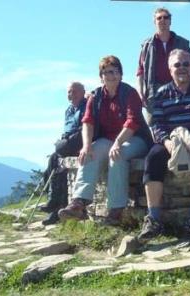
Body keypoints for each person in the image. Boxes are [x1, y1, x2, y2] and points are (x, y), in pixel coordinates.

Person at [58, 56, 152, 225]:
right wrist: (86, 146)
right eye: (107, 72)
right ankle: (79, 202)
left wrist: (117, 143)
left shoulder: (130, 94)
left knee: (118, 154)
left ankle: (116, 210)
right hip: (107, 139)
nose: (111, 75)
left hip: (135, 138)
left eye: (115, 71)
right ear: (101, 76)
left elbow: (132, 122)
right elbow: (88, 122)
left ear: (121, 75)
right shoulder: (95, 96)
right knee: (90, 152)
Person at [137, 49, 190, 242]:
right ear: (170, 69)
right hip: (170, 142)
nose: (182, 68)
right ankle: (154, 219)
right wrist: (166, 143)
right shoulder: (162, 93)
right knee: (153, 157)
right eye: (177, 65)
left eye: (186, 64)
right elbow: (156, 123)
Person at [39, 81, 87, 225]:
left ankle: (54, 203)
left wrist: (64, 143)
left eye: (74, 91)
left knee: (58, 153)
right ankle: (56, 205)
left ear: (83, 92)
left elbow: (84, 127)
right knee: (54, 160)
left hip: (82, 139)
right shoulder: (69, 110)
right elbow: (67, 130)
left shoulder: (86, 106)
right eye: (69, 92)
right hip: (69, 141)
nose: (71, 95)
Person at [137, 7, 190, 119]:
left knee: (179, 122)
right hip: (154, 93)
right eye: (159, 18)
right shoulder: (147, 45)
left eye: (166, 17)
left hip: (179, 90)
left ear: (170, 21)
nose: (163, 20)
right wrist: (141, 93)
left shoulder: (182, 43)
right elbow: (141, 71)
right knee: (155, 126)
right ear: (154, 22)